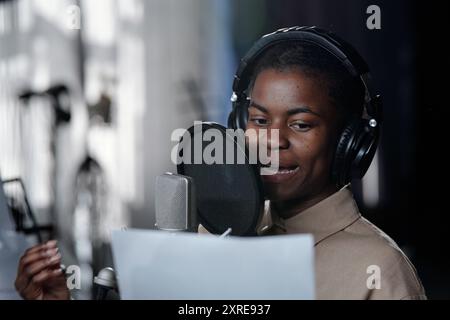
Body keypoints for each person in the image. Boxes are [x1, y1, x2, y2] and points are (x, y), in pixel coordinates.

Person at [15, 27, 426, 300]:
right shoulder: (209, 245)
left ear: (349, 141)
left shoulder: (379, 270)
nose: (272, 140)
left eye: (301, 124)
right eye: (260, 120)